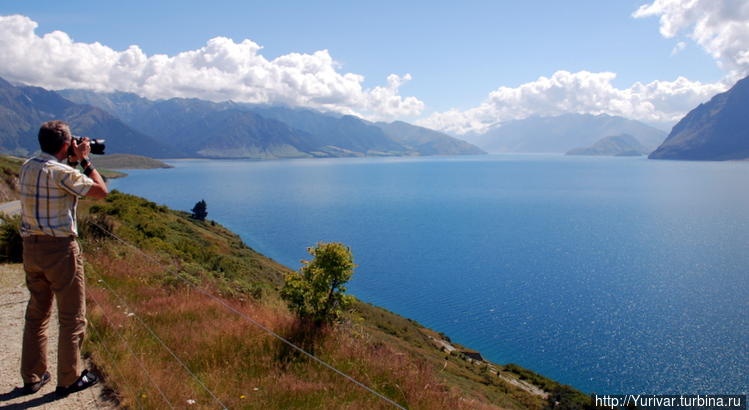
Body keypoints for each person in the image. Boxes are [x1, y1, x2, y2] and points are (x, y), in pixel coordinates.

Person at [18, 120, 108, 397]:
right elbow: (100, 191)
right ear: (67, 144)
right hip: (59, 250)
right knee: (71, 317)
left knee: (37, 314)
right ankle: (68, 379)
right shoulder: (62, 173)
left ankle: (33, 376)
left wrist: (71, 157)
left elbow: (53, 172)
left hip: (30, 248)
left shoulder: (27, 165)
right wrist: (86, 160)